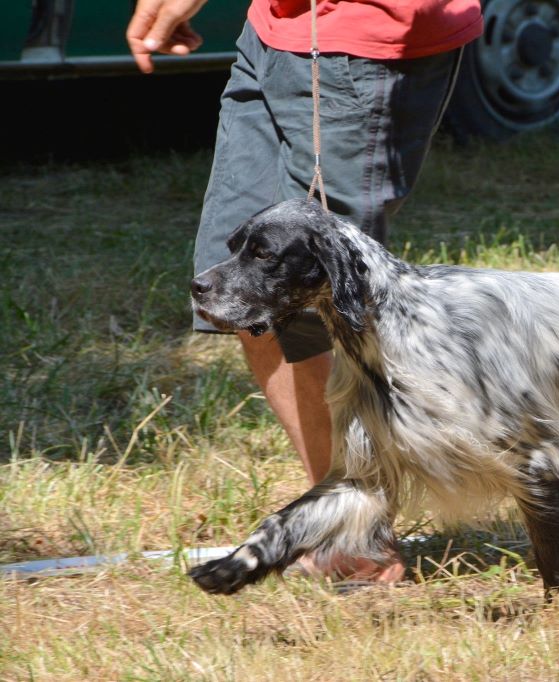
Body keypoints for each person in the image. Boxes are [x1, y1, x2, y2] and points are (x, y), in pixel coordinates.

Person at [127, 0, 482, 583]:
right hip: (276, 29)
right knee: (238, 285)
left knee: (325, 302)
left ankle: (364, 536)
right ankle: (346, 523)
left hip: (355, 43)